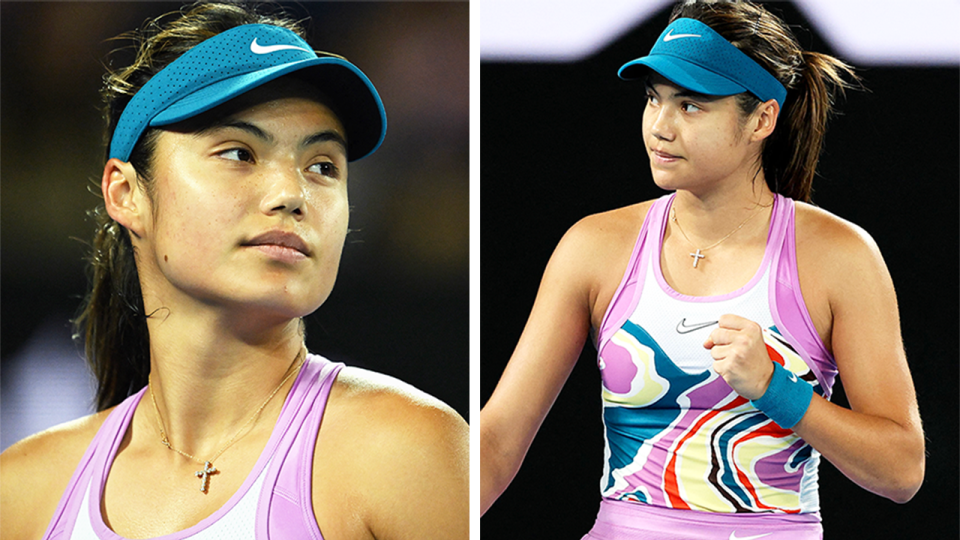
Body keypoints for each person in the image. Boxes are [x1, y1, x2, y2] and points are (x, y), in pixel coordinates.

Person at [0, 3, 468, 539]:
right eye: (239, 153)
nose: (292, 195)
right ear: (126, 193)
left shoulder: (408, 452)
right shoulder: (22, 491)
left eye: (322, 167)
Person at [480, 1, 924, 538]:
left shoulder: (841, 256)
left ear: (762, 118)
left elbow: (902, 471)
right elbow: (496, 442)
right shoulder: (592, 247)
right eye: (653, 99)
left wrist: (775, 389)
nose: (659, 127)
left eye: (691, 106)